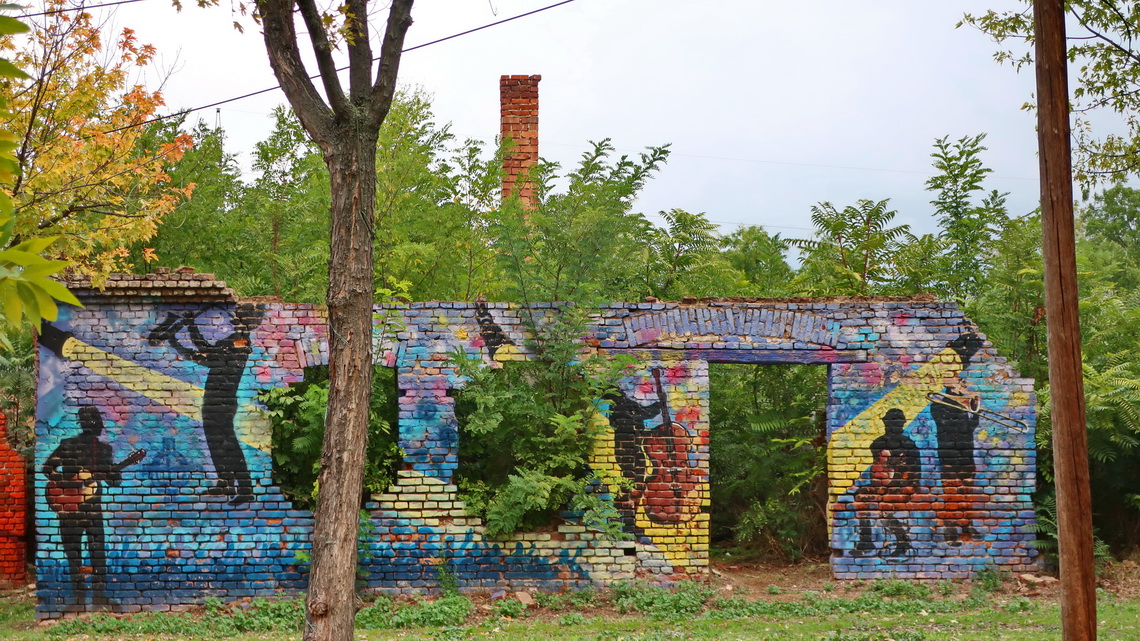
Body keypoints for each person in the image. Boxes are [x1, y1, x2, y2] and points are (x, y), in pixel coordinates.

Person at [149, 304, 264, 505]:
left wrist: (190, 326)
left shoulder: (240, 342)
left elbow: (205, 350)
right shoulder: (233, 342)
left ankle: (245, 489)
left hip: (223, 401)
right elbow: (205, 357)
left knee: (229, 445)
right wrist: (178, 340)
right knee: (216, 443)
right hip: (213, 399)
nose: (234, 320)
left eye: (238, 318)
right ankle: (225, 481)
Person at [42, 407, 144, 607]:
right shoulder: (68, 444)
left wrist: (115, 472)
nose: (96, 425)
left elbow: (113, 482)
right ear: (86, 424)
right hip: (68, 507)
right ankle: (79, 598)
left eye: (96, 421)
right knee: (73, 553)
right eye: (92, 421)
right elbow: (47, 468)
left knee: (98, 553)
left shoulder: (104, 450)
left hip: (93, 509)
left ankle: (98, 596)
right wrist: (65, 482)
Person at [853, 408, 920, 558]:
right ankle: (865, 540)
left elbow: (914, 474)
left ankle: (902, 542)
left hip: (902, 486)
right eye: (889, 422)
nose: (890, 426)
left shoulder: (909, 446)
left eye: (894, 423)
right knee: (861, 495)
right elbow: (876, 470)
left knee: (885, 507)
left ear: (902, 424)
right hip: (883, 485)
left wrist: (900, 484)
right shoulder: (878, 443)